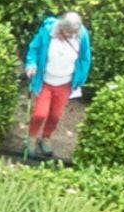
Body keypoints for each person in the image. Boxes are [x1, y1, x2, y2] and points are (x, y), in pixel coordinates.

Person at [20, 11, 91, 160]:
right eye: (66, 32)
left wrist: (80, 78)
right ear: (60, 27)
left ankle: (46, 137)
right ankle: (32, 137)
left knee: (55, 115)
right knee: (40, 114)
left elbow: (85, 58)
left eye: (72, 33)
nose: (69, 35)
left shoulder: (82, 35)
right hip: (46, 81)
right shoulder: (48, 31)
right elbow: (34, 49)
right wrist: (31, 64)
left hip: (65, 83)